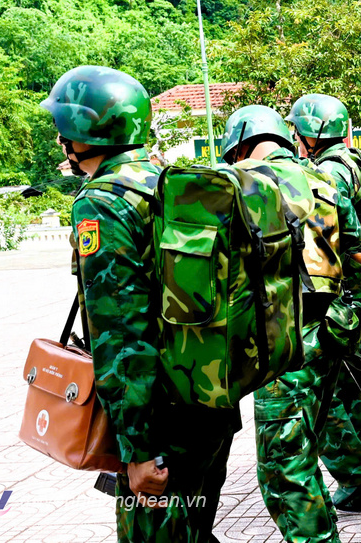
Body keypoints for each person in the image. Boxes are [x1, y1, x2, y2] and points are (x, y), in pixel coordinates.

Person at [44, 65, 237, 542]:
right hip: (210, 398)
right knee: (190, 529)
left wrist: (138, 447)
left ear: (83, 132)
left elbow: (121, 333)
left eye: (62, 127)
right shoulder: (174, 184)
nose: (59, 139)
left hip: (161, 421)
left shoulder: (104, 202)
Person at [222, 105, 348, 543]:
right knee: (304, 449)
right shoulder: (322, 178)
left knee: (283, 469)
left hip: (282, 341)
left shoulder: (247, 182)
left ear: (239, 142)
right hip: (328, 327)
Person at [285, 93, 361, 511]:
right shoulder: (354, 160)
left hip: (344, 291)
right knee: (348, 387)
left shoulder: (326, 172)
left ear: (310, 133)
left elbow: (331, 238)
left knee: (330, 393)